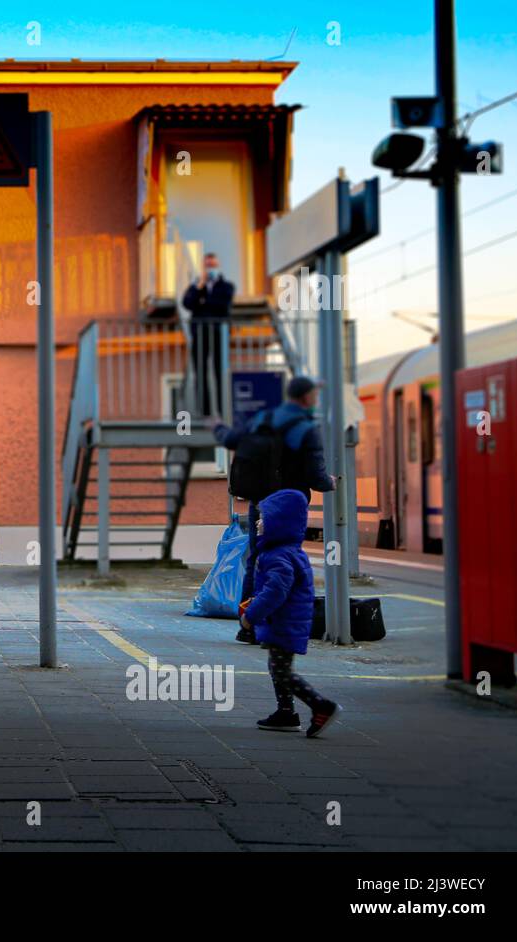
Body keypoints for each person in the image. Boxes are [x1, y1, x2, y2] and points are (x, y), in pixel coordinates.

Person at [211, 375, 336, 644]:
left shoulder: (264, 418)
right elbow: (316, 476)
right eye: (314, 395)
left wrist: (217, 426)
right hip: (290, 506)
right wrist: (331, 483)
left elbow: (232, 439)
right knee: (285, 560)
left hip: (261, 502)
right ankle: (275, 623)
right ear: (306, 398)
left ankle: (248, 624)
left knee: (256, 561)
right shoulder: (305, 428)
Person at [240, 489, 342, 738]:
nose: (257, 521)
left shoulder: (279, 556)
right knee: (277, 667)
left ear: (279, 523)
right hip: (285, 620)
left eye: (263, 518)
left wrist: (250, 615)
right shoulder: (286, 552)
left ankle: (320, 705)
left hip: (284, 621)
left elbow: (275, 592)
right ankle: (285, 713)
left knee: (282, 671)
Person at [182, 252, 235, 415]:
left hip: (219, 334)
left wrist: (203, 302)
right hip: (199, 334)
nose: (210, 268)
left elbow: (222, 304)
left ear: (218, 266)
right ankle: (204, 411)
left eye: (212, 265)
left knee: (220, 371)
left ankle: (221, 409)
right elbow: (187, 303)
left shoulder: (227, 286)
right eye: (207, 265)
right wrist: (200, 288)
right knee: (200, 372)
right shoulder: (196, 286)